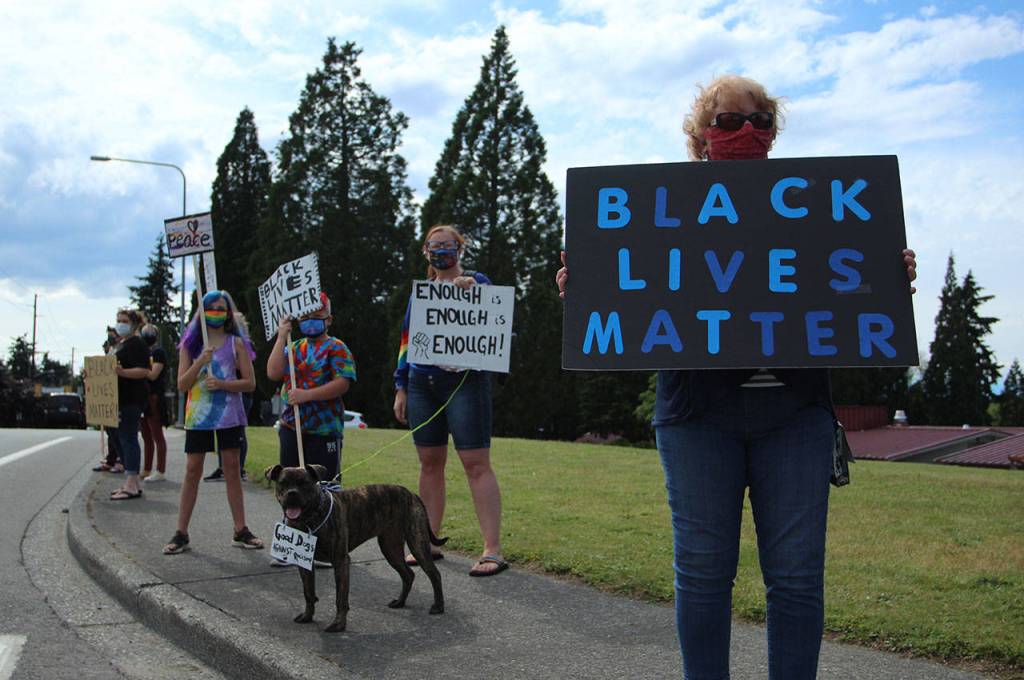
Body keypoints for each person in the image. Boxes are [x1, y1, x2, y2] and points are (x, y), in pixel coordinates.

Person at [555, 75, 918, 678]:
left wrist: (883, 273)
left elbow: (845, 283)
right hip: (699, 419)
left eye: (759, 122)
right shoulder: (657, 211)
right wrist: (590, 287)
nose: (745, 132)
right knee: (702, 573)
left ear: (772, 134)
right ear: (701, 136)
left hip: (796, 418)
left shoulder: (815, 208)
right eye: (728, 121)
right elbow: (634, 291)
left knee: (797, 577)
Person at [393, 225, 507, 577]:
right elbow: (407, 340)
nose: (441, 250)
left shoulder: (477, 280)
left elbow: (493, 310)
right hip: (422, 381)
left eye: (447, 245)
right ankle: (427, 541)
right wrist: (401, 386)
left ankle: (492, 550)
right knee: (429, 463)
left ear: (460, 249)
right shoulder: (422, 294)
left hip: (466, 383)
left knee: (475, 462)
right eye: (434, 245)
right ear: (425, 251)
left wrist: (472, 291)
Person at [163, 290, 262, 555]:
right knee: (193, 469)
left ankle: (240, 529)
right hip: (197, 416)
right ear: (202, 312)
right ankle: (181, 532)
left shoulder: (236, 344)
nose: (217, 313)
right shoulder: (190, 345)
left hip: (229, 414)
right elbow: (182, 383)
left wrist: (222, 384)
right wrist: (199, 363)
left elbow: (250, 383)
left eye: (222, 308)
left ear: (229, 312)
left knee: (231, 468)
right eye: (212, 308)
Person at [266, 293, 355, 484]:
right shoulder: (293, 347)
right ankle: (292, 515)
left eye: (316, 316)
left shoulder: (336, 347)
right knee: (291, 484)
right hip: (292, 427)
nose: (310, 321)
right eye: (305, 317)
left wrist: (307, 395)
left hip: (325, 430)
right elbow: (273, 372)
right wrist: (281, 336)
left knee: (325, 485)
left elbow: (342, 383)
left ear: (328, 319)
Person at [204, 312, 255, 483]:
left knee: (238, 431)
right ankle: (223, 467)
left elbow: (242, 367)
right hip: (224, 393)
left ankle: (238, 468)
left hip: (240, 393)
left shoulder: (241, 345)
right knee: (222, 429)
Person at [108, 309, 151, 500]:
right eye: (118, 320)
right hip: (119, 399)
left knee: (128, 437)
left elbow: (143, 371)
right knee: (117, 435)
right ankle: (130, 479)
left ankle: (132, 482)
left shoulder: (137, 344)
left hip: (131, 399)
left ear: (134, 324)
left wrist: (122, 372)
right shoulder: (121, 344)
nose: (120, 324)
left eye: (124, 321)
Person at [139, 323, 169, 483]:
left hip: (154, 397)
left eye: (150, 332)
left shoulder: (158, 353)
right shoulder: (144, 352)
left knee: (156, 433)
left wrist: (140, 370)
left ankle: (161, 469)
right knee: (145, 435)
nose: (147, 334)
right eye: (145, 331)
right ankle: (147, 468)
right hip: (143, 397)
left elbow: (153, 375)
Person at [93, 326, 124, 474]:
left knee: (118, 431)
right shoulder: (111, 350)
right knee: (110, 430)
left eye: (112, 336)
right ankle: (111, 458)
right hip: (109, 397)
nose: (110, 339)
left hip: (119, 396)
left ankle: (120, 460)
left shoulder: (122, 350)